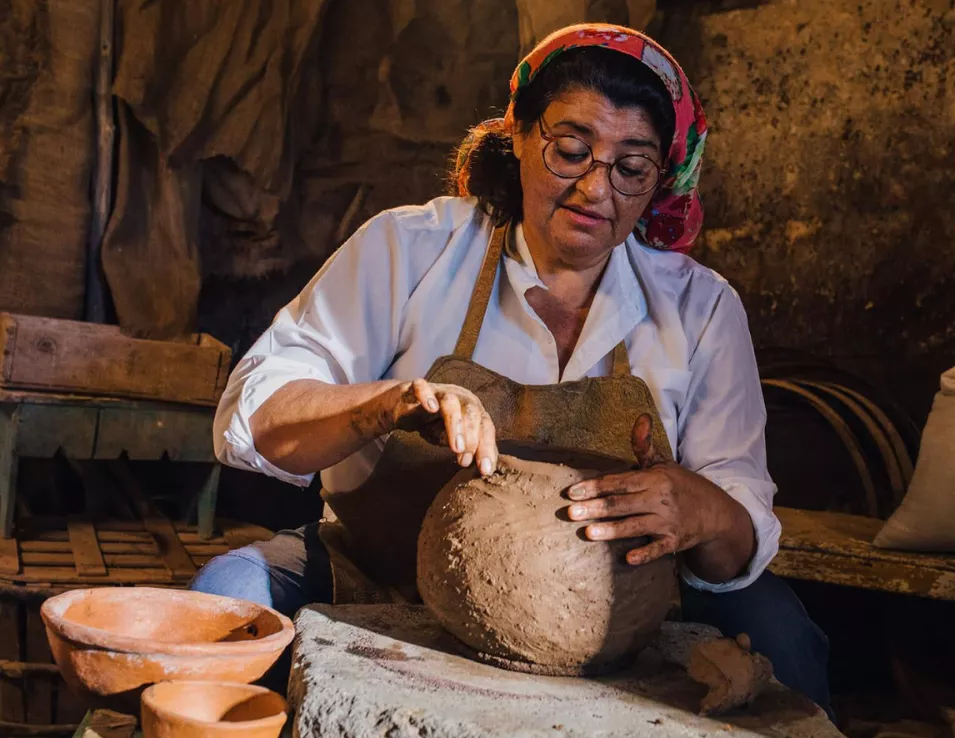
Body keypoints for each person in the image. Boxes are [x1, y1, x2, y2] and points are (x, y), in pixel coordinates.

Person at [191, 23, 831, 712]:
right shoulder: (412, 248)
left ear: (658, 181)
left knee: (785, 639)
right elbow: (253, 415)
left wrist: (703, 508)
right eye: (571, 149)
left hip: (614, 614)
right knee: (228, 598)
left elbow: (736, 543)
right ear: (519, 136)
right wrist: (387, 405)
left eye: (630, 166)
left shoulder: (700, 309)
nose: (595, 188)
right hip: (377, 574)